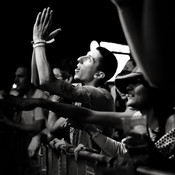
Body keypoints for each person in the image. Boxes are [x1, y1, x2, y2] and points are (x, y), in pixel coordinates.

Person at [4, 67, 175, 171]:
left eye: (137, 82)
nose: (127, 88)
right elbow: (120, 150)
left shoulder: (171, 121)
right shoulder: (138, 118)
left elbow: (46, 82)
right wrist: (42, 103)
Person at [31, 7, 118, 153]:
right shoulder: (80, 96)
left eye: (89, 59)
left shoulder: (101, 95)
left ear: (99, 75)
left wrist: (39, 41)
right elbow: (36, 81)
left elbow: (46, 81)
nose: (79, 59)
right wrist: (36, 45)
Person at [0, 65, 47, 175]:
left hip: (35, 152)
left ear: (31, 78)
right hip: (22, 151)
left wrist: (9, 123)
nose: (16, 80)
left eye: (20, 76)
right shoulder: (23, 97)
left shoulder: (38, 96)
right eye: (16, 76)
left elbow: (37, 126)